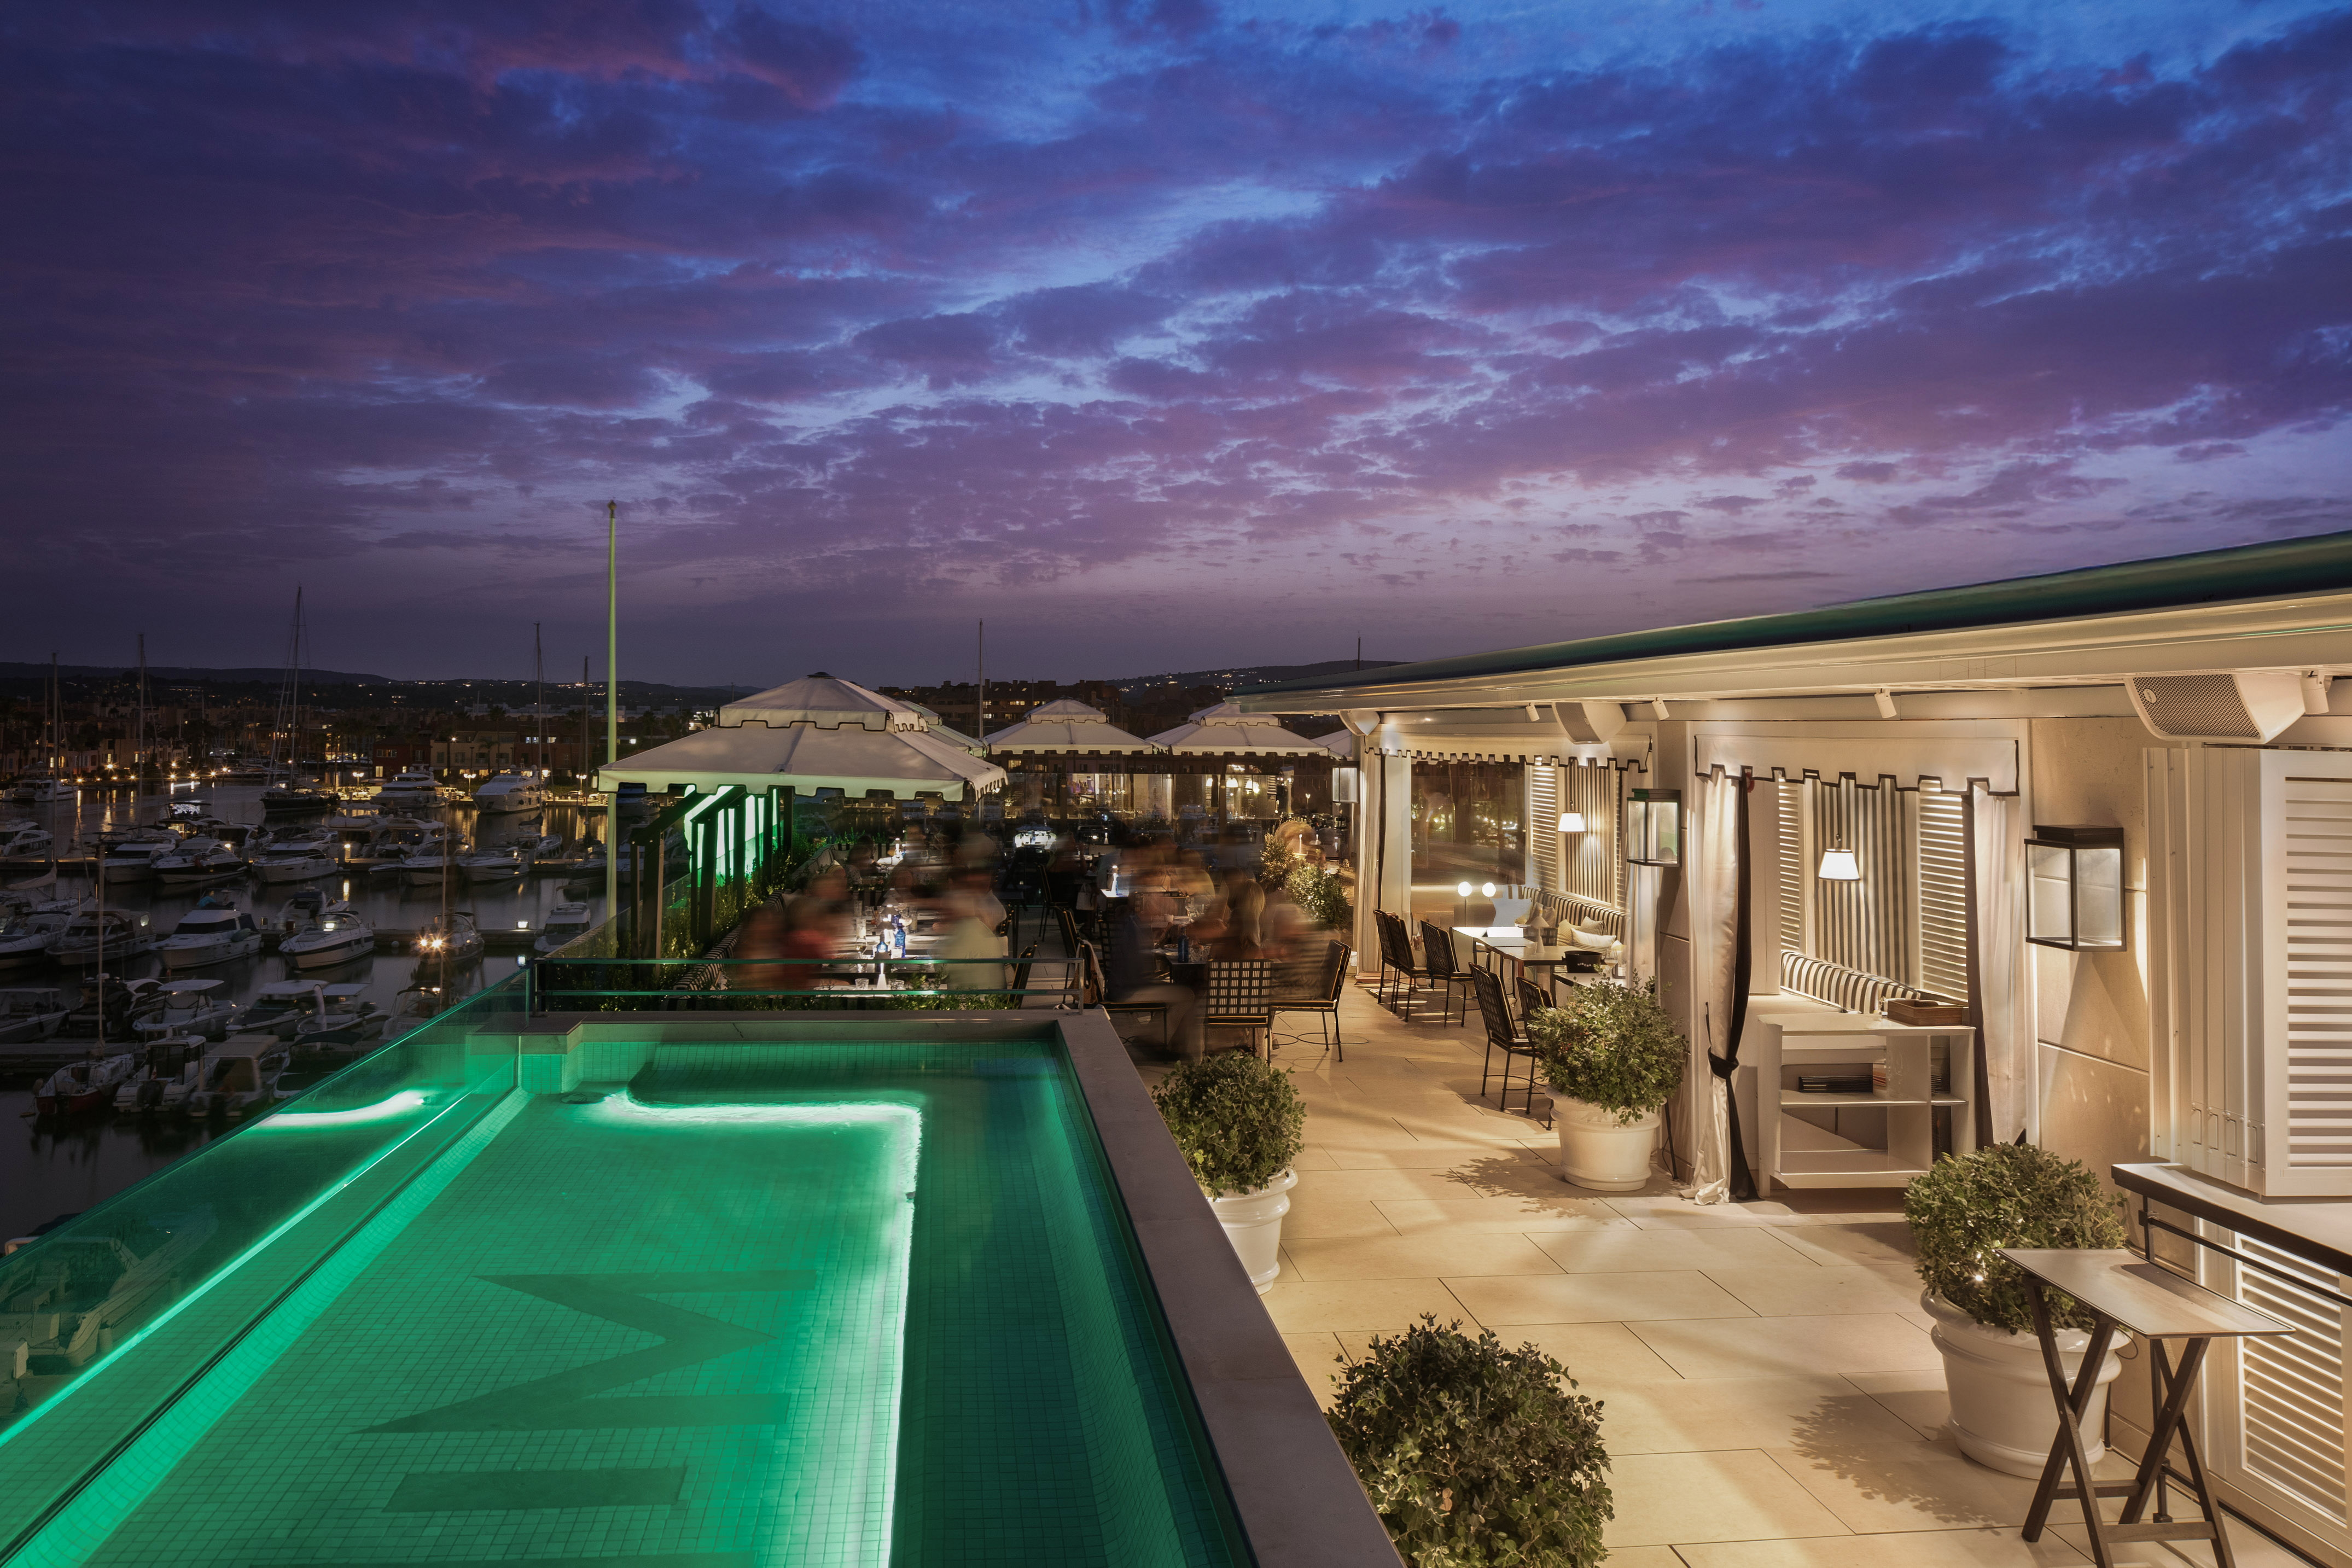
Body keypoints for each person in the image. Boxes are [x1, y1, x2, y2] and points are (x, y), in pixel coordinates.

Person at [1104, 900, 1202, 1062]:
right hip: (1127, 990)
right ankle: (1155, 1042)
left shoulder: (1133, 924)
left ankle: (1151, 1038)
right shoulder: (1134, 930)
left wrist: (1157, 937)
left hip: (1121, 985)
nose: (1158, 916)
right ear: (1148, 910)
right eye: (1156, 911)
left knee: (1177, 992)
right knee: (1186, 996)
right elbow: (1136, 968)